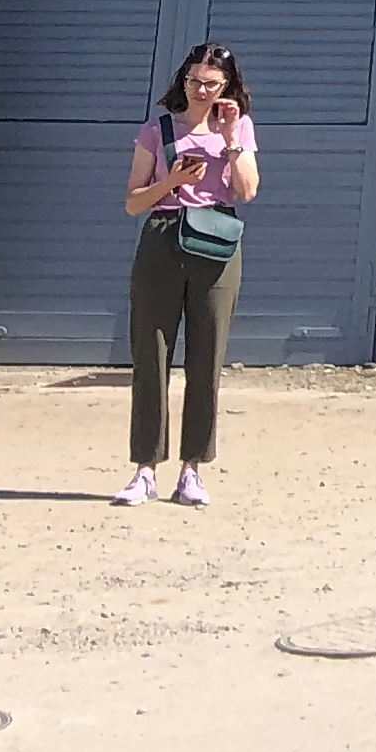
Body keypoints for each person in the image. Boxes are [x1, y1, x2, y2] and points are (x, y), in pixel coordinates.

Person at [120, 41, 259, 504]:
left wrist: (231, 140)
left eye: (211, 84)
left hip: (216, 244)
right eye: (194, 81)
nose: (201, 90)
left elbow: (248, 191)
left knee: (206, 359)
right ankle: (144, 470)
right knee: (151, 356)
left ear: (228, 88)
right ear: (183, 80)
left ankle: (192, 469)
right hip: (162, 236)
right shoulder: (157, 130)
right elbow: (132, 202)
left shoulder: (238, 130)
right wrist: (172, 182)